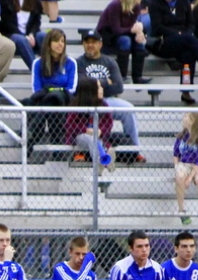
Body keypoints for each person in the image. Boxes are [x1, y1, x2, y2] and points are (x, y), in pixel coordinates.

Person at [75, 29, 145, 162]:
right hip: (87, 100)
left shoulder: (109, 62)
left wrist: (93, 85)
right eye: (87, 42)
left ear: (100, 44)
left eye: (93, 42)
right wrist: (106, 82)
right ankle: (81, 152)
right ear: (83, 44)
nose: (90, 45)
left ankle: (135, 150)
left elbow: (118, 86)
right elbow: (80, 85)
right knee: (82, 111)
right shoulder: (79, 63)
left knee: (128, 109)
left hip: (107, 99)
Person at [149, 0, 198, 104]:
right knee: (190, 40)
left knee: (189, 53)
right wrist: (178, 34)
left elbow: (191, 24)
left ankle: (186, 91)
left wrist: (186, 33)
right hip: (163, 41)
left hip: (184, 40)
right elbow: (157, 28)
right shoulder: (155, 4)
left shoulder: (184, 2)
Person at [24, 29, 76, 150]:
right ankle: (58, 148)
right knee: (51, 101)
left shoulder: (70, 62)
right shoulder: (38, 63)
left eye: (62, 41)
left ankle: (32, 135)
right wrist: (52, 92)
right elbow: (36, 89)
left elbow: (71, 88)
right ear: (49, 43)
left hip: (65, 99)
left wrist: (51, 90)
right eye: (56, 41)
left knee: (54, 98)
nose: (60, 44)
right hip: (45, 99)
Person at [64, 77, 116, 173]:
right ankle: (101, 161)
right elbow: (70, 125)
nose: (102, 89)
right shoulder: (76, 105)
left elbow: (109, 123)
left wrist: (101, 131)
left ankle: (103, 159)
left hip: (99, 137)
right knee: (90, 139)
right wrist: (86, 130)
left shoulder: (104, 105)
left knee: (97, 140)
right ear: (91, 91)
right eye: (99, 87)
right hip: (80, 137)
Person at [96, 0, 151, 84]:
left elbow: (132, 25)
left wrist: (139, 32)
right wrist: (133, 30)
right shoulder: (115, 5)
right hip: (109, 36)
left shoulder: (136, 6)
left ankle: (137, 77)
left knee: (139, 41)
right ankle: (121, 76)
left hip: (124, 33)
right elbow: (116, 29)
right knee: (125, 40)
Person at [0, 0, 44, 72]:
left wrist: (31, 34)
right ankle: (38, 72)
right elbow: (7, 23)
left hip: (29, 36)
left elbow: (36, 22)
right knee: (21, 39)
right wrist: (24, 37)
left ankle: (52, 70)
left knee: (43, 36)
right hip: (11, 35)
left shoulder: (35, 2)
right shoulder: (6, 2)